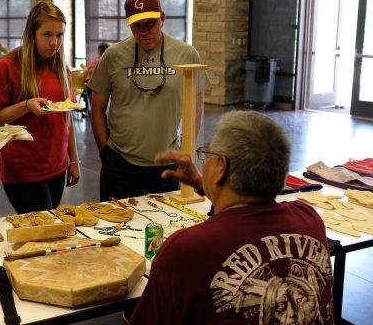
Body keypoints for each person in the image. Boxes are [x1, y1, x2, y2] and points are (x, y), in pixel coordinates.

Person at [128, 110, 334, 325]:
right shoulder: (308, 220)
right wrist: (202, 183)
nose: (203, 162)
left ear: (221, 167)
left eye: (207, 155)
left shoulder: (187, 249)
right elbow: (241, 207)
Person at [88, 0, 208, 201]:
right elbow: (97, 107)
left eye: (149, 24)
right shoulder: (113, 56)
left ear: (162, 19)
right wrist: (105, 152)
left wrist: (186, 151)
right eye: (137, 26)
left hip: (166, 163)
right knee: (117, 227)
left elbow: (196, 106)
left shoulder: (186, 54)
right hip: (120, 161)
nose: (144, 32)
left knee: (166, 225)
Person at [0, 2, 80, 214]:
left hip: (57, 166)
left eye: (60, 35)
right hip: (23, 169)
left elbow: (67, 117)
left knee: (49, 227)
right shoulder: (6, 66)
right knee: (43, 231)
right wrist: (26, 106)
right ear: (31, 33)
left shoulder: (60, 67)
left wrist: (73, 159)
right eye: (47, 34)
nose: (54, 42)